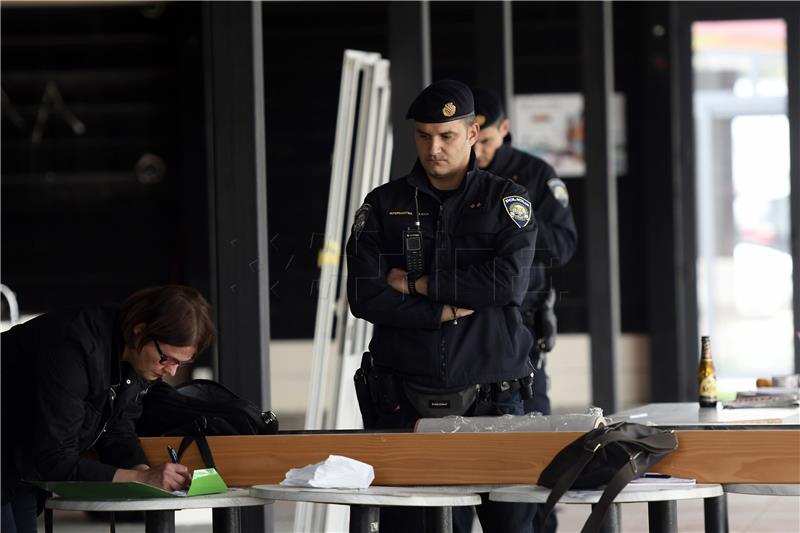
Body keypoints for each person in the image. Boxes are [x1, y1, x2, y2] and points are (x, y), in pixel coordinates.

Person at [347, 79, 537, 533]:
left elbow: (508, 283)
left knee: (510, 525)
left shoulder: (506, 201)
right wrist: (440, 311)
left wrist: (417, 285)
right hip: (403, 401)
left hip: (494, 398)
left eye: (447, 135)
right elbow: (365, 296)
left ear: (473, 134)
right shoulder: (382, 204)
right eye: (424, 135)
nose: (434, 147)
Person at [1, 285, 215, 533]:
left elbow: (117, 430)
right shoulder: (73, 346)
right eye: (166, 358)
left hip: (20, 467)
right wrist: (141, 479)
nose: (171, 371)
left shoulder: (137, 358)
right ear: (140, 331)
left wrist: (145, 474)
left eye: (181, 363)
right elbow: (55, 456)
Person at [473, 88, 578, 532]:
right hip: (463, 331)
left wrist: (516, 224)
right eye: (470, 141)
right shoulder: (446, 176)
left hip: (522, 330)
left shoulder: (534, 175)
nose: (477, 153)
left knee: (534, 446)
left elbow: (564, 245)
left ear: (505, 131)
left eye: (487, 143)